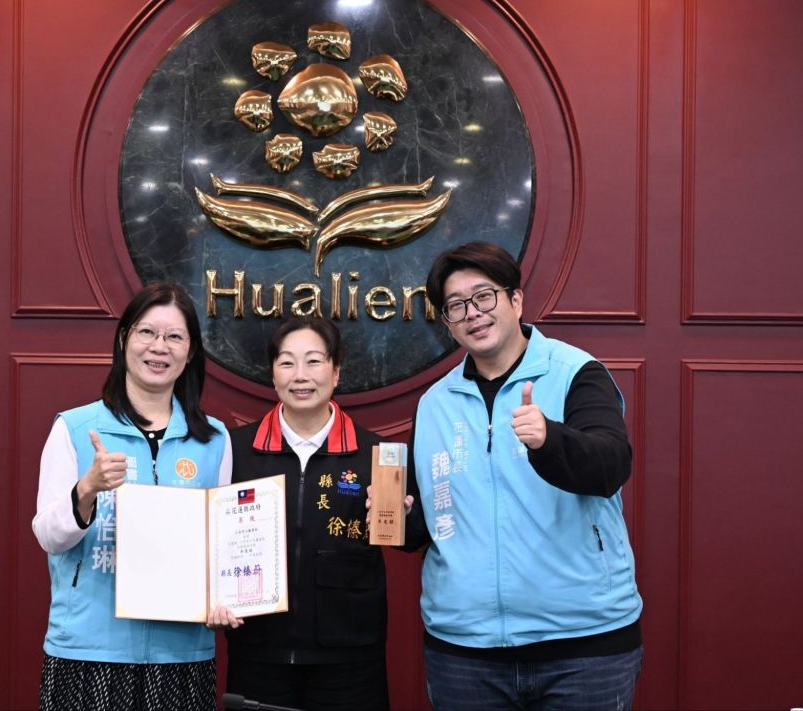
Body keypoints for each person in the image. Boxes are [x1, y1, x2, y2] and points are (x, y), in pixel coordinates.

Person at [403, 241, 643, 710]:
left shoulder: (576, 373)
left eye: (484, 296)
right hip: (465, 651)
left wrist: (550, 440)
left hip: (583, 646)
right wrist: (399, 518)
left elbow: (611, 467)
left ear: (515, 300)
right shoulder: (435, 403)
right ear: (447, 323)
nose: (473, 313)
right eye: (456, 305)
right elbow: (433, 518)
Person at [32, 281, 232, 711]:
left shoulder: (213, 440)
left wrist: (226, 596)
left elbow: (223, 545)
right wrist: (86, 489)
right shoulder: (74, 428)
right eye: (147, 332)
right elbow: (48, 536)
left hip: (182, 654)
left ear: (190, 352)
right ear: (124, 339)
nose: (159, 347)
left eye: (174, 336)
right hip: (88, 650)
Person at [207, 317, 391, 711]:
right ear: (272, 374)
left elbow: (413, 535)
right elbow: (208, 537)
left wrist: (403, 520)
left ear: (336, 371)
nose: (300, 375)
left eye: (314, 361)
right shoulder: (234, 450)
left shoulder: (376, 454)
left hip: (349, 660)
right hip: (259, 653)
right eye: (287, 362)